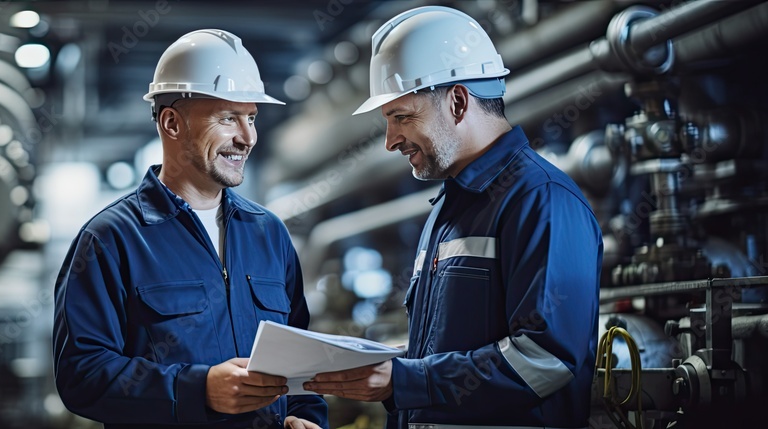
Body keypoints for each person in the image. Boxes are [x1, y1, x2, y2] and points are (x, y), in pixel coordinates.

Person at [303, 6, 602, 429]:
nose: (390, 141)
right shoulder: (449, 208)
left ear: (458, 102)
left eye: (401, 117)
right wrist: (389, 375)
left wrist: (403, 381)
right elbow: (438, 358)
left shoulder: (542, 199)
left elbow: (546, 359)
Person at [52, 29, 328, 429]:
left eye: (251, 118)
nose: (247, 137)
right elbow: (81, 375)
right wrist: (197, 390)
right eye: (227, 118)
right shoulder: (112, 239)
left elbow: (300, 358)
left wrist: (304, 417)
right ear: (172, 123)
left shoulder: (268, 233)